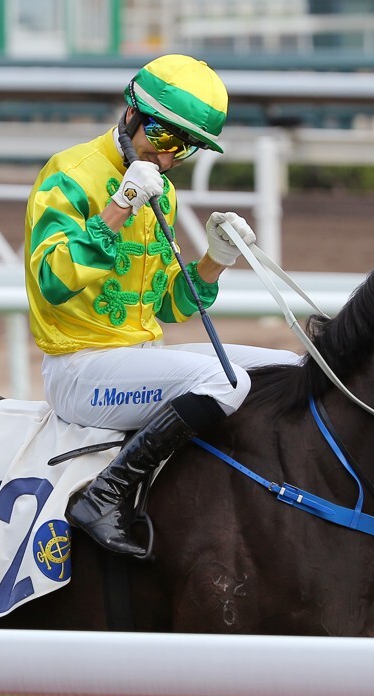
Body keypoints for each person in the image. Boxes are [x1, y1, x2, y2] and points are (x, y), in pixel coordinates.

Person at [24, 54, 299, 559]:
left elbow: (170, 306)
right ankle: (108, 494)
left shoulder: (160, 190)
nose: (170, 159)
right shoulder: (69, 173)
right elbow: (50, 283)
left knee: (287, 368)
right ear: (132, 113)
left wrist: (216, 260)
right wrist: (118, 208)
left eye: (185, 146)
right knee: (227, 380)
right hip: (79, 370)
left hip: (135, 359)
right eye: (167, 139)